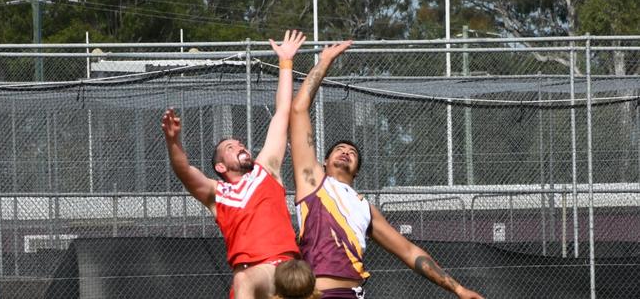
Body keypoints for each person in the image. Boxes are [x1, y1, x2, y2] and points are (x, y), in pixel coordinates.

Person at [289, 41, 484, 299]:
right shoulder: (313, 181)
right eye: (339, 148)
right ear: (323, 162)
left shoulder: (366, 209)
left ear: (357, 170)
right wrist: (325, 61)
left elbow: (409, 252)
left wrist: (458, 289)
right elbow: (298, 109)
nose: (346, 151)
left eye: (353, 152)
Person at [162, 30, 306, 299]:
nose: (240, 146)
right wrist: (173, 142)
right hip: (255, 275)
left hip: (288, 269)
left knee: (251, 281)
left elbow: (282, 113)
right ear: (220, 167)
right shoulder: (218, 195)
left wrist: (286, 63)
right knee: (243, 281)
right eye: (231, 147)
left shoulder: (267, 170)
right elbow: (184, 171)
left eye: (241, 144)